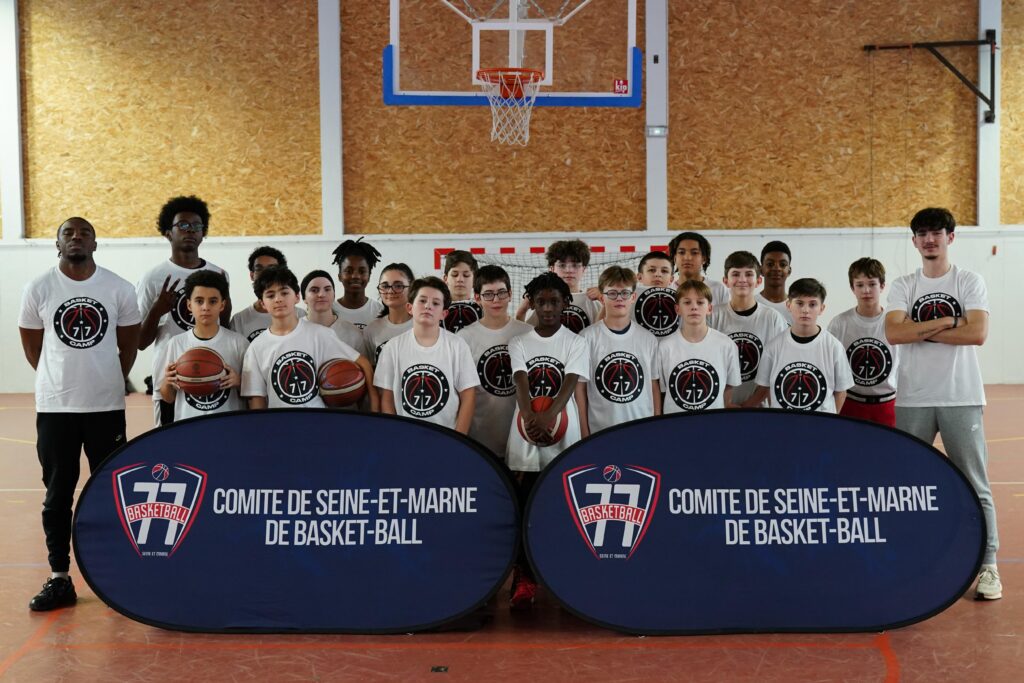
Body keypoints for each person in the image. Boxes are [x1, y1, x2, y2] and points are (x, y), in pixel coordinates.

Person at [18, 217, 141, 611]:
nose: (76, 237)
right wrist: (61, 382)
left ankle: (116, 576)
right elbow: (33, 349)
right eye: (68, 233)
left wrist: (105, 381)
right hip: (56, 409)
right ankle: (60, 577)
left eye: (84, 233)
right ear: (57, 243)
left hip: (106, 407)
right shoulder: (39, 287)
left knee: (110, 492)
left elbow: (128, 347)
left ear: (95, 243)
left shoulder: (119, 288)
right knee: (58, 495)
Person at [884, 207, 1000, 600]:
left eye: (936, 232)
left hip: (960, 396)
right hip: (913, 398)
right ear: (914, 241)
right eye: (922, 233)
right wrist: (950, 321)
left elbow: (977, 333)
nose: (929, 239)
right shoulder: (904, 285)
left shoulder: (968, 281)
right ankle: (908, 559)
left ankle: (989, 566)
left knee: (975, 483)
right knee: (906, 484)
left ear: (950, 237)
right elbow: (894, 334)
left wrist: (919, 329)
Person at [507, 272, 589, 607]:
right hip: (526, 433)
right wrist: (530, 416)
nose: (548, 308)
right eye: (541, 302)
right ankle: (524, 576)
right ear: (532, 304)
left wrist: (549, 416)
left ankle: (564, 575)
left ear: (565, 303)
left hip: (562, 433)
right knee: (526, 507)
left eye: (554, 301)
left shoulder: (576, 342)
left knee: (563, 509)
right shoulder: (519, 341)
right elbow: (520, 380)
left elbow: (569, 382)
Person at [137, 195, 229, 427]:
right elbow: (140, 342)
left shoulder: (219, 275)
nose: (190, 230)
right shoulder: (153, 278)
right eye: (183, 225)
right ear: (168, 233)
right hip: (170, 381)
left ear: (203, 233)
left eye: (197, 226)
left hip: (212, 376)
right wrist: (157, 311)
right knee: (171, 445)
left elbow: (225, 327)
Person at [241, 266, 378, 411]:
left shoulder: (320, 334)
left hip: (318, 421)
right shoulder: (256, 347)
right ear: (263, 303)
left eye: (284, 293)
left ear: (297, 297)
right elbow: (256, 399)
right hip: (279, 422)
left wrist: (374, 407)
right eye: (270, 295)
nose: (278, 299)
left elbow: (363, 363)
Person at [374, 277, 478, 432]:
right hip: (406, 435)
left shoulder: (457, 345)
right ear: (410, 307)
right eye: (422, 301)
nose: (428, 306)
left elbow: (468, 395)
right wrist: (396, 434)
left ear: (444, 313)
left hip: (447, 436)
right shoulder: (392, 347)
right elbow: (387, 398)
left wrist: (458, 437)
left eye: (436, 303)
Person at [457, 265, 533, 457]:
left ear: (510, 294)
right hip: (478, 439)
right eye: (488, 294)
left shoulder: (527, 332)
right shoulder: (464, 338)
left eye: (501, 293)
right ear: (477, 298)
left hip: (521, 440)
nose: (496, 300)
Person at [577, 266, 661, 435]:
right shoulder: (587, 338)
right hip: (600, 432)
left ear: (633, 297)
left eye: (625, 293)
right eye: (612, 293)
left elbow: (653, 386)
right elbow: (580, 388)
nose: (619, 298)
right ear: (602, 298)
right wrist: (584, 432)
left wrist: (656, 425)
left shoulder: (648, 339)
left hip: (641, 429)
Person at [747, 279, 853, 413]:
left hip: (820, 423)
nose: (805, 310)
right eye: (800, 303)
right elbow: (765, 388)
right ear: (788, 305)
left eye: (812, 304)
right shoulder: (773, 347)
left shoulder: (834, 347)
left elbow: (841, 392)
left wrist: (829, 421)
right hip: (783, 423)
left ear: (822, 308)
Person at [159, 271, 248, 420]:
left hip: (228, 425)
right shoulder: (176, 343)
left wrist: (239, 382)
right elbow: (168, 398)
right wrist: (167, 383)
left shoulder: (238, 343)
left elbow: (253, 395)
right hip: (189, 425)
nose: (205, 307)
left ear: (222, 305)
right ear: (189, 305)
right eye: (199, 301)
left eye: (213, 301)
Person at [827, 258, 899, 427]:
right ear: (852, 288)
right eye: (860, 285)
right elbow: (829, 366)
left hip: (888, 404)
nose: (866, 290)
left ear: (882, 286)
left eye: (872, 284)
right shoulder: (839, 323)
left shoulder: (896, 321)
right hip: (850, 403)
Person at [709, 251, 787, 406]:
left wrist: (750, 404)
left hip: (759, 408)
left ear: (758, 281)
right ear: (726, 281)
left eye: (749, 274)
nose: (742, 280)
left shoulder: (773, 318)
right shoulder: (712, 316)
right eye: (736, 274)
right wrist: (725, 404)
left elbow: (778, 369)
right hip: (718, 407)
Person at [657, 280, 741, 413]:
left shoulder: (726, 345)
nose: (694, 307)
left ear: (709, 308)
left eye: (700, 302)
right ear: (677, 309)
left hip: (712, 420)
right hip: (675, 421)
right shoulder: (665, 347)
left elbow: (730, 385)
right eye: (687, 302)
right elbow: (662, 389)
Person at [516, 239, 601, 333]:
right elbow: (525, 335)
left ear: (583, 269)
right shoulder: (542, 301)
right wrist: (521, 312)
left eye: (575, 265)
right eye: (562, 265)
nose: (569, 270)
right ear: (552, 269)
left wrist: (605, 299)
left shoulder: (594, 301)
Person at [229, 246, 304, 342]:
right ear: (252, 275)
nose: (265, 273)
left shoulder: (300, 315)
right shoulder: (239, 320)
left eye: (271, 268)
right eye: (259, 269)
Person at [301, 270, 367, 357]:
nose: (321, 294)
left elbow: (363, 364)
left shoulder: (352, 333)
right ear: (304, 298)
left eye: (327, 289)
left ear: (334, 295)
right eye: (314, 290)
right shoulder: (294, 331)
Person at [364, 263, 416, 366]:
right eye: (385, 286)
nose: (390, 291)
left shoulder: (424, 326)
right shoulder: (372, 330)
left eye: (398, 286)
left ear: (411, 288)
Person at [330, 238, 384, 329]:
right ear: (339, 276)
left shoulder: (379, 311)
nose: (355, 276)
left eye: (362, 271)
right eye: (349, 271)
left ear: (369, 276)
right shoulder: (331, 310)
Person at [668, 231, 728, 311]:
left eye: (694, 253)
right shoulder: (667, 291)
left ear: (704, 258)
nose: (687, 257)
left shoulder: (718, 289)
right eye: (681, 252)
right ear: (675, 258)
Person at [631, 250, 679, 338]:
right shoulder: (628, 296)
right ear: (639, 277)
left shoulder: (681, 297)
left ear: (671, 279)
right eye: (652, 270)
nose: (658, 274)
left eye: (664, 271)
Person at [441, 250, 483, 333]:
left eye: (466, 275)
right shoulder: (436, 308)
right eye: (454, 275)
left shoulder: (484, 309)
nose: (460, 279)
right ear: (445, 279)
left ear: (475, 280)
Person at [756, 240, 794, 325]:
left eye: (782, 265)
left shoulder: (797, 307)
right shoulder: (751, 304)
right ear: (761, 270)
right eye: (770, 264)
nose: (777, 268)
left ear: (789, 271)